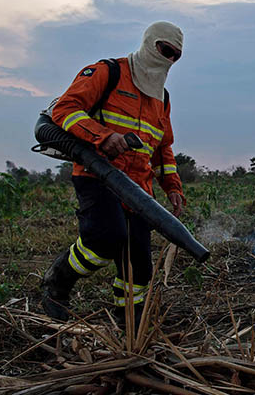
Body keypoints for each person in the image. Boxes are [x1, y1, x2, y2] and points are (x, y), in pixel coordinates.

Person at [41, 22, 186, 325]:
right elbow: (64, 110)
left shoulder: (163, 97)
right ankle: (57, 283)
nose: (169, 58)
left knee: (139, 265)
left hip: (138, 190)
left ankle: (129, 320)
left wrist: (172, 186)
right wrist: (101, 136)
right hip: (97, 175)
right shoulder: (107, 73)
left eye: (176, 55)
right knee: (105, 238)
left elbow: (162, 148)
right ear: (150, 43)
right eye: (165, 50)